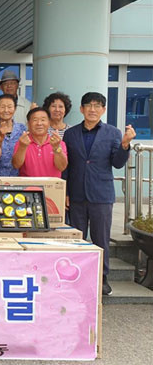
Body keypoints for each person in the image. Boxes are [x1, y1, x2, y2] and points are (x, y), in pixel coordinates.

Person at [63, 92, 136, 296]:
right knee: (77, 239)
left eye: (97, 106)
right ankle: (76, 277)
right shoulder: (71, 134)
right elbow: (66, 166)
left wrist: (125, 145)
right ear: (81, 109)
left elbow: (117, 163)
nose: (92, 109)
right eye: (88, 105)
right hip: (76, 194)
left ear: (103, 110)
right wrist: (65, 192)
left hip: (101, 195)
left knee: (100, 239)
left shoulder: (113, 133)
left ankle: (101, 279)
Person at [12, 107, 68, 177]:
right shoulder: (23, 142)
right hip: (28, 183)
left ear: (49, 123)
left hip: (52, 184)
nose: (39, 123)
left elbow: (62, 167)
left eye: (43, 120)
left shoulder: (58, 143)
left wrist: (56, 148)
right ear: (28, 124)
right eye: (35, 120)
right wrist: (22, 147)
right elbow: (16, 165)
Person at [0, 94, 27, 177]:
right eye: (2, 107)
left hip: (19, 176)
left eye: (10, 107)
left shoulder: (22, 129)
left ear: (15, 109)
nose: (6, 110)